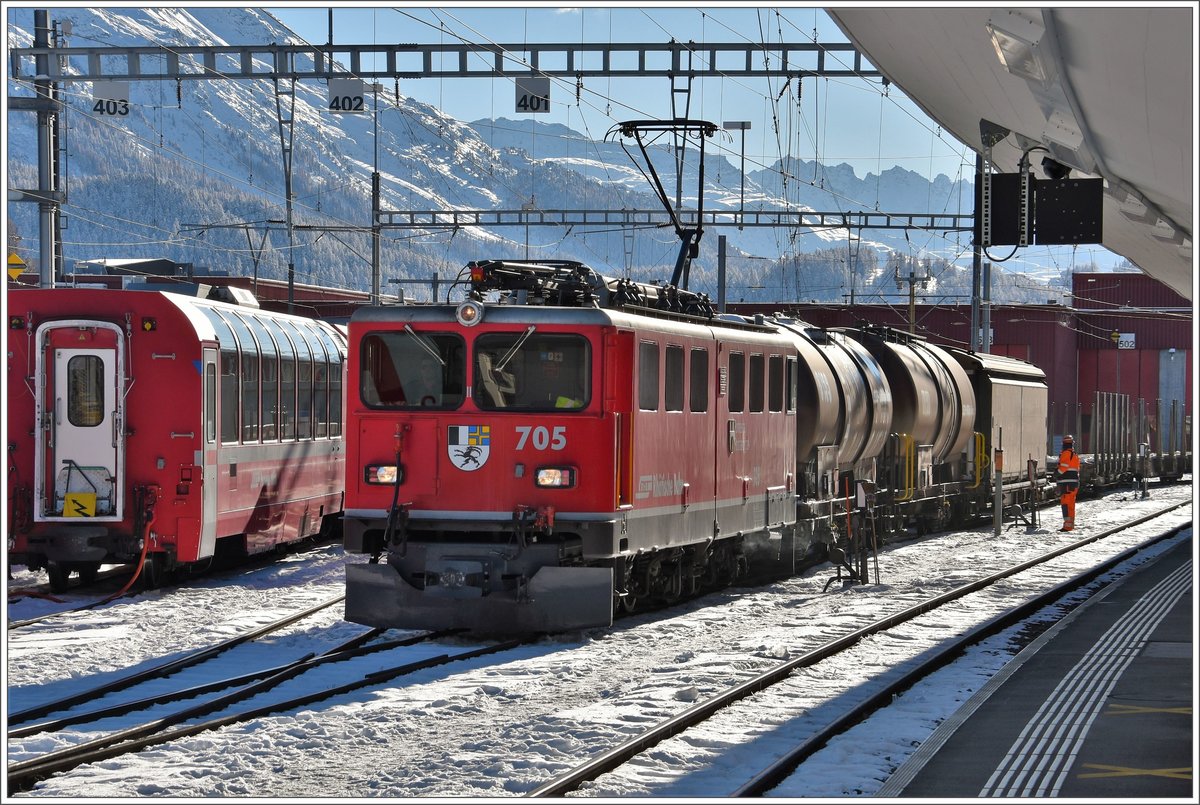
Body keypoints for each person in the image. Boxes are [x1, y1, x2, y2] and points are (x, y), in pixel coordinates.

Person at [1055, 434, 1081, 532]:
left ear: (1064, 444)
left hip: (1067, 484)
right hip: (1073, 483)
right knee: (1070, 505)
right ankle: (1070, 525)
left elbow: (1063, 468)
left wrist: (1056, 473)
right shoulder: (1074, 455)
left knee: (1066, 504)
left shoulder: (1066, 453)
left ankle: (1067, 526)